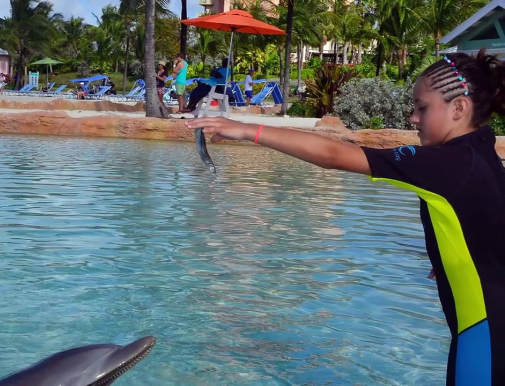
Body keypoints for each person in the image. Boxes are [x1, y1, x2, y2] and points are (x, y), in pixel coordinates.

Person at [185, 48, 505, 385]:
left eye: (422, 108)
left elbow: (333, 154)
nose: (413, 118)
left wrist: (246, 130)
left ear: (459, 108)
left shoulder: (445, 163)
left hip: (482, 331)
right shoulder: (482, 154)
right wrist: (455, 255)